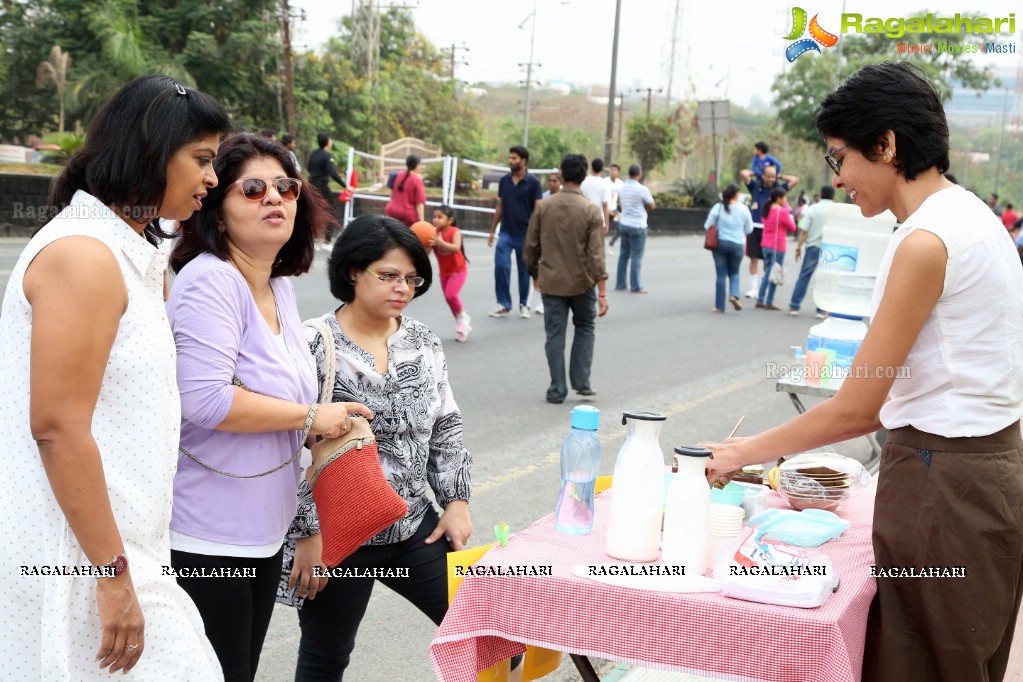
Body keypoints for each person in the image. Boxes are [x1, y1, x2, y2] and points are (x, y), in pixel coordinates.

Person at [705, 61, 1023, 682]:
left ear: (887, 145)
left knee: (920, 662)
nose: (841, 178)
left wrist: (743, 451)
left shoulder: (926, 242)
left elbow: (859, 408)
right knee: (964, 655)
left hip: (942, 487)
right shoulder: (972, 218)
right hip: (987, 472)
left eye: (840, 158)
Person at [0, 74, 230, 679]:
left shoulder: (130, 251)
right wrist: (112, 577)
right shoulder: (85, 255)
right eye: (202, 159)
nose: (213, 178)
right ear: (151, 151)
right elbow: (56, 428)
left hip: (122, 550)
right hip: (78, 560)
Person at [167, 132, 372, 681]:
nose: (274, 199)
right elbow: (203, 398)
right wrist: (309, 417)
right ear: (216, 208)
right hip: (208, 535)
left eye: (286, 187)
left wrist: (326, 420)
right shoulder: (211, 280)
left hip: (263, 529)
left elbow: (284, 395)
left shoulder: (277, 283)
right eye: (252, 188)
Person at [284, 215, 473, 680]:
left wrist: (456, 502)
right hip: (339, 538)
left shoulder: (422, 340)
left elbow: (445, 422)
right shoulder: (312, 343)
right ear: (352, 270)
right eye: (387, 275)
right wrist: (310, 535)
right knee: (325, 660)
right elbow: (291, 451)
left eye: (411, 278)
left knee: (484, 632)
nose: (402, 288)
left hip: (415, 527)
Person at [524, 153, 608, 405]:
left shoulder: (543, 206)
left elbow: (530, 248)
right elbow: (596, 255)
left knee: (555, 335)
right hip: (582, 283)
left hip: (551, 282)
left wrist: (535, 275)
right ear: (583, 177)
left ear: (561, 175)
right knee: (585, 327)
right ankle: (581, 383)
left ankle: (557, 389)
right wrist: (602, 291)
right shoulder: (591, 209)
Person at [488, 145, 543, 318]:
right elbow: (500, 206)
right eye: (510, 158)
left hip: (526, 234)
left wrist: (537, 235)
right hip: (505, 233)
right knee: (501, 266)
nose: (510, 161)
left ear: (523, 160)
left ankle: (524, 304)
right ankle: (503, 304)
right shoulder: (504, 181)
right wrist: (492, 231)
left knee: (524, 270)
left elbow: (538, 210)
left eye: (514, 158)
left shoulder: (534, 183)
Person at [739, 164, 800, 298]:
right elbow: (744, 173)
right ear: (763, 175)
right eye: (768, 176)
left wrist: (779, 176)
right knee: (753, 258)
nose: (770, 179)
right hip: (755, 227)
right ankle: (753, 288)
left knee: (768, 262)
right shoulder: (755, 186)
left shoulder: (779, 189)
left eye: (773, 176)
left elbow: (795, 180)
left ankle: (763, 288)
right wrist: (757, 173)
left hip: (769, 231)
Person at [704, 183, 753, 313]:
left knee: (721, 275)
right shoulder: (744, 209)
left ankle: (719, 306)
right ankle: (734, 295)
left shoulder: (718, 207)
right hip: (737, 245)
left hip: (720, 244)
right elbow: (749, 229)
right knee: (734, 272)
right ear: (737, 194)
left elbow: (708, 225)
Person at [788, 184, 835, 317]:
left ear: (821, 194)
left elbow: (804, 231)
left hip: (813, 247)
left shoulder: (813, 209)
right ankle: (821, 309)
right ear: (833, 195)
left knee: (804, 276)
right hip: (830, 249)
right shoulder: (836, 209)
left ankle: (794, 306)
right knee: (826, 279)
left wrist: (798, 248)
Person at [429, 204, 472, 342]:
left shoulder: (455, 231)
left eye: (440, 217)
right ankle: (462, 326)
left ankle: (464, 318)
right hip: (444, 271)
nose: (436, 220)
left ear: (450, 220)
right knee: (449, 299)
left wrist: (440, 242)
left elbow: (455, 248)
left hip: (458, 270)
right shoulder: (433, 233)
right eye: (434, 217)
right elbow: (427, 253)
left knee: (451, 295)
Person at [616, 163, 656, 293]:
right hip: (638, 224)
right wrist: (643, 208)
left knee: (623, 255)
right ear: (639, 175)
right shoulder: (642, 189)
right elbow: (652, 205)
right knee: (636, 256)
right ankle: (635, 286)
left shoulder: (622, 188)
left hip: (625, 223)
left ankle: (620, 283)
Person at [755, 187, 796, 310]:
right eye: (785, 198)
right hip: (777, 246)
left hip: (765, 245)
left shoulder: (766, 209)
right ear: (779, 199)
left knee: (768, 271)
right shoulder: (782, 212)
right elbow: (792, 227)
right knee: (774, 273)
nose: (786, 201)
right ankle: (768, 301)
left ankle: (760, 298)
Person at [307, 133, 346, 247]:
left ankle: (311, 239)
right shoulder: (327, 155)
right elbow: (332, 172)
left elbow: (309, 168)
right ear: (327, 142)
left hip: (311, 185)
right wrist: (345, 185)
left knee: (312, 210)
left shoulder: (313, 154)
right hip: (322, 186)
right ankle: (327, 241)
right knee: (331, 210)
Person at [384, 154, 426, 228]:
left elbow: (392, 195)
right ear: (417, 165)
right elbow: (419, 204)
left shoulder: (397, 175)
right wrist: (422, 222)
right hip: (407, 216)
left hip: (391, 211)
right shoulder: (417, 180)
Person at [580, 157, 611, 232]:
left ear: (591, 167)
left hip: (583, 219)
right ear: (602, 168)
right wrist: (606, 224)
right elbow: (605, 206)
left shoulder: (583, 182)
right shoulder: (605, 184)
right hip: (598, 220)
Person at [607, 163, 625, 253]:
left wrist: (622, 211)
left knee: (620, 229)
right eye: (611, 169)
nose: (613, 172)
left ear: (618, 172)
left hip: (614, 210)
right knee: (600, 229)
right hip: (604, 210)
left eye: (615, 170)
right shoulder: (604, 182)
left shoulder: (621, 184)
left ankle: (611, 243)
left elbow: (623, 198)